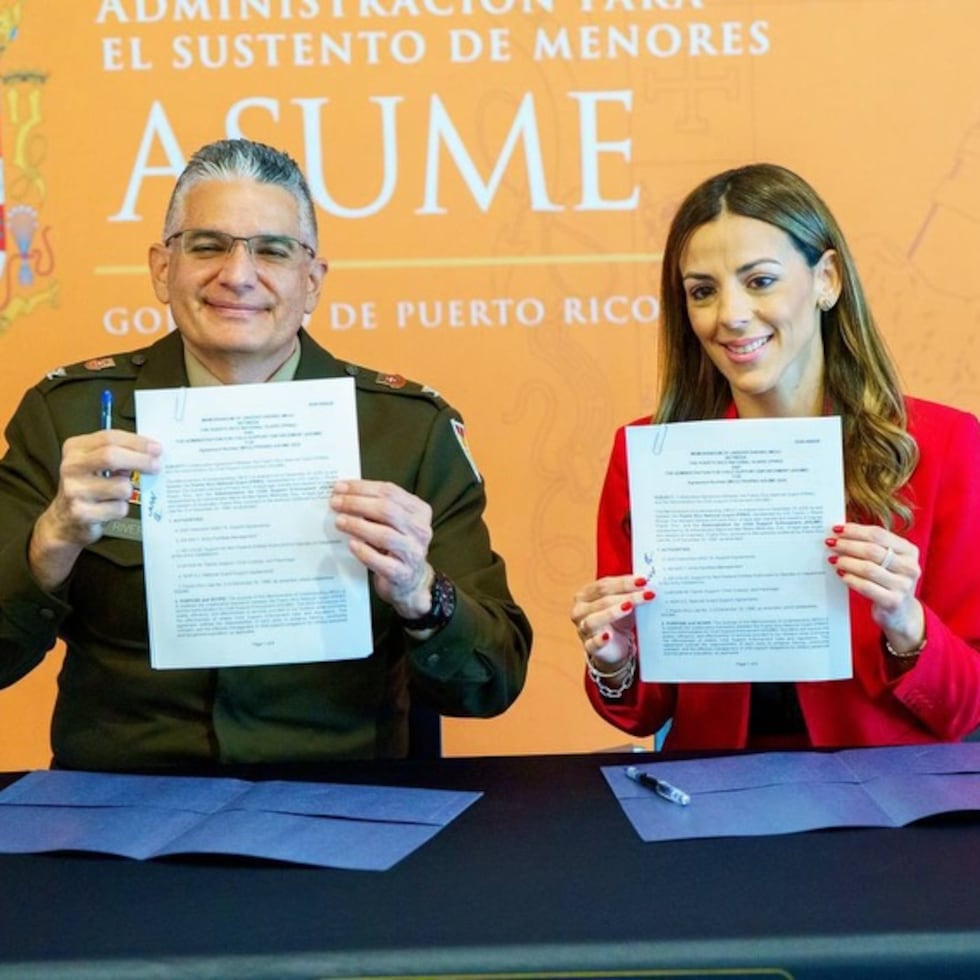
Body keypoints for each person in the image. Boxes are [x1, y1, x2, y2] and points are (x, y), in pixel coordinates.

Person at [0, 138, 531, 770]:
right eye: (207, 246)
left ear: (311, 282)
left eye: (273, 251)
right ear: (161, 269)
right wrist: (51, 540)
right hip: (123, 801)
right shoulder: (70, 418)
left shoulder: (408, 431)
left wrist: (420, 591)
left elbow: (492, 682)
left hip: (341, 801)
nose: (238, 274)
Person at [570, 162, 980, 750]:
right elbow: (640, 713)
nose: (730, 315)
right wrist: (615, 658)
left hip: (886, 816)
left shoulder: (943, 443)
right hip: (712, 803)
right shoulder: (653, 455)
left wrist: (906, 626)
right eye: (703, 291)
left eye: (759, 281)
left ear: (827, 280)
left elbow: (966, 708)